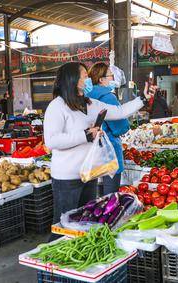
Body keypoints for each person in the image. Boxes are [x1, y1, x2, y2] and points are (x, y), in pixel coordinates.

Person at [43, 62, 144, 234]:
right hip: (67, 177)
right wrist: (85, 135)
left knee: (84, 222)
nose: (88, 79)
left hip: (88, 174)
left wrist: (142, 99)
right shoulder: (57, 106)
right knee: (63, 225)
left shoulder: (91, 104)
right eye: (84, 75)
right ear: (72, 80)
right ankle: (57, 259)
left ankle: (77, 257)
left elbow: (119, 112)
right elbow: (52, 141)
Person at [86, 62, 130, 195]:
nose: (113, 78)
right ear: (101, 79)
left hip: (90, 152)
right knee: (110, 197)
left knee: (94, 197)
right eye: (111, 75)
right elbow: (120, 127)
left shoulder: (85, 96)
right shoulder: (108, 97)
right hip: (108, 152)